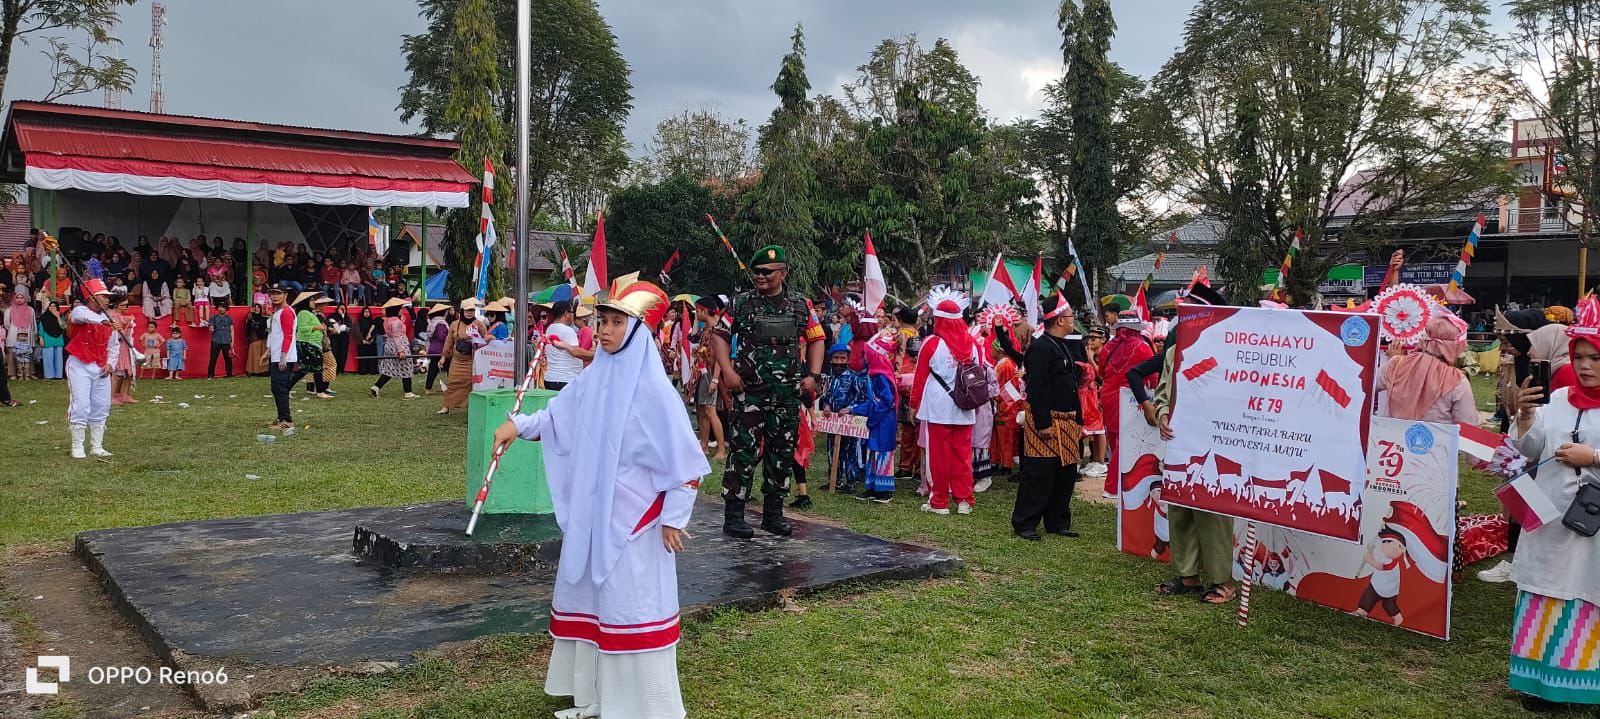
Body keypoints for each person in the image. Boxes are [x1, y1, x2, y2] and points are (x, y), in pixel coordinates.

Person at [491, 278, 703, 719]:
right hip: (596, 515)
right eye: (601, 321)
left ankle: (646, 707)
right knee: (597, 603)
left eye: (615, 322)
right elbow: (559, 416)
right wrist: (520, 426)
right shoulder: (595, 378)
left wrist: (673, 518)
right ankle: (601, 701)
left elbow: (686, 466)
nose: (603, 330)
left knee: (631, 606)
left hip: (638, 522)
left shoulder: (657, 394)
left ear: (637, 329)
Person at [1504, 295, 1600, 709]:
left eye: (1595, 358)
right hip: (1551, 523)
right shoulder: (1557, 401)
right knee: (1548, 594)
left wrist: (1593, 457)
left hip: (1594, 531)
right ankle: (1542, 687)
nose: (1585, 366)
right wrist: (1524, 417)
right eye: (1580, 357)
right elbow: (1529, 448)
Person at [711, 245, 826, 538]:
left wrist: (812, 375)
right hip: (750, 393)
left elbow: (816, 339)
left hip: (787, 396)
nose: (760, 277)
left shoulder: (801, 306)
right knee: (743, 454)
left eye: (767, 272)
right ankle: (734, 516)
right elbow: (720, 336)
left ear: (783, 273)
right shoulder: (742, 303)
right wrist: (727, 370)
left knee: (781, 455)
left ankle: (773, 514)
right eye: (757, 272)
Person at [1140, 285, 1238, 605]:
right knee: (1180, 508)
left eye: (1194, 310)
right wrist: (1164, 414)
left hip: (1217, 442)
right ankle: (1187, 575)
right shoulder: (1175, 351)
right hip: (1182, 441)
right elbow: (1163, 392)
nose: (1187, 316)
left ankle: (1223, 580)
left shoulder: (1230, 352)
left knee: (1213, 513)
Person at [1011, 295, 1084, 540]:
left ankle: (1058, 521)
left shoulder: (1063, 343)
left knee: (1066, 473)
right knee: (1040, 473)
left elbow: (1071, 383)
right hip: (1047, 420)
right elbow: (1037, 387)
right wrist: (1043, 423)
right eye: (1071, 316)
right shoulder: (1041, 346)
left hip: (1067, 421)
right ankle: (1025, 523)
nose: (1074, 319)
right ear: (1061, 319)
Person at [910, 287, 979, 516]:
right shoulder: (972, 343)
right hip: (965, 406)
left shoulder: (931, 343)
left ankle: (939, 502)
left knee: (938, 456)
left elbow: (919, 378)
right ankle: (964, 501)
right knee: (962, 455)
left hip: (938, 407)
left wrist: (913, 405)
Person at [1376, 315, 1478, 424]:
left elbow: (1362, 386)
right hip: (1438, 440)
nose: (1466, 346)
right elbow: (1469, 426)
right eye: (1463, 342)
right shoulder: (1457, 381)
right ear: (1452, 346)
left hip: (1393, 438)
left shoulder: (1396, 364)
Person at [1098, 311, 1156, 497]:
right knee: (1124, 442)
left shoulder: (1108, 346)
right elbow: (1153, 376)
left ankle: (1117, 482)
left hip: (1107, 396)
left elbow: (1101, 372)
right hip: (1130, 399)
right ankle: (1113, 487)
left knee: (1115, 439)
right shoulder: (1142, 346)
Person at [65, 280, 124, 457]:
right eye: (103, 296)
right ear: (91, 297)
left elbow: (114, 346)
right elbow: (82, 317)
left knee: (102, 404)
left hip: (100, 366)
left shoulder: (110, 320)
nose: (107, 300)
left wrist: (110, 364)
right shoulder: (79, 310)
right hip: (79, 364)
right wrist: (106, 322)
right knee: (81, 403)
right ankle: (77, 446)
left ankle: (97, 445)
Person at [850, 327, 900, 503]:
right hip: (879, 419)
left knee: (883, 453)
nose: (863, 358)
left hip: (884, 420)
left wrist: (873, 418)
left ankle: (884, 490)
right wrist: (853, 409)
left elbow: (887, 401)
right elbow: (873, 402)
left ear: (873, 356)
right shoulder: (875, 375)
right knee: (873, 452)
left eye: (866, 354)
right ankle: (872, 487)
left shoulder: (881, 376)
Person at [690, 296, 726, 459]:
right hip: (703, 371)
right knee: (701, 409)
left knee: (710, 410)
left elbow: (720, 357)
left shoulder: (719, 329)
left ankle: (721, 449)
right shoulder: (706, 329)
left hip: (712, 373)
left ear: (705, 311)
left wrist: (715, 379)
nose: (696, 314)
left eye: (698, 311)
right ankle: (704, 445)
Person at [991, 320, 1028, 475]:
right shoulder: (1001, 363)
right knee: (998, 437)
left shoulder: (1005, 365)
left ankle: (1006, 464)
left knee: (1006, 438)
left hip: (1006, 406)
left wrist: (999, 399)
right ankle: (998, 461)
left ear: (998, 350)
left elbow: (1010, 386)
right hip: (999, 404)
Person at [438, 298, 487, 415]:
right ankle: (446, 406)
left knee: (470, 384)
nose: (469, 312)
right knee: (452, 382)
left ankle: (470, 406)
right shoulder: (454, 324)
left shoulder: (479, 324)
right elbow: (448, 342)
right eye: (467, 310)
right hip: (457, 360)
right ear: (462, 311)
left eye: (471, 310)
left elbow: (486, 338)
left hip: (472, 360)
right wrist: (443, 357)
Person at [266, 286, 299, 429]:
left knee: (280, 388)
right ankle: (281, 417)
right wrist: (268, 353)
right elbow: (275, 335)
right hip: (277, 355)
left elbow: (288, 335)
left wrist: (283, 357)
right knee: (276, 387)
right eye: (272, 294)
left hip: (283, 357)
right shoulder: (278, 312)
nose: (274, 296)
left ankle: (287, 419)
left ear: (285, 295)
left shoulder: (286, 312)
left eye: (278, 293)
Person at [288, 291, 331, 398]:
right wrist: (318, 327)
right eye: (311, 300)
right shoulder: (303, 313)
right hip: (308, 344)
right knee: (310, 368)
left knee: (311, 369)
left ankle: (319, 391)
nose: (313, 302)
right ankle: (320, 392)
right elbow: (302, 329)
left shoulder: (308, 313)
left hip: (312, 344)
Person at [371, 297, 417, 398]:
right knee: (407, 367)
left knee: (389, 369)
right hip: (399, 346)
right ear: (395, 310)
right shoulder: (395, 321)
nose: (402, 310)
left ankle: (376, 387)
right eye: (400, 309)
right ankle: (408, 392)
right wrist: (401, 351)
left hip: (390, 345)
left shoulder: (387, 320)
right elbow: (396, 336)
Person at [1079, 327, 1109, 477]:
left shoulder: (1105, 354)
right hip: (1091, 397)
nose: (1090, 340)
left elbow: (1103, 376)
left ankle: (1101, 462)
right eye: (1089, 337)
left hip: (1102, 395)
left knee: (1100, 429)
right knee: (1095, 430)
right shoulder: (1089, 353)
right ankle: (1095, 460)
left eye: (1094, 338)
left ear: (1103, 339)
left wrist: (1091, 359)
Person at [543, 300, 592, 391]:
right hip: (565, 380)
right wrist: (597, 354)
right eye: (573, 313)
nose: (574, 317)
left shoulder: (550, 328)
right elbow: (576, 352)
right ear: (566, 313)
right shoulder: (567, 330)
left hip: (551, 379)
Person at [5, 292, 35, 381]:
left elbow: (33, 323)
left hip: (27, 332)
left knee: (28, 354)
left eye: (22, 298)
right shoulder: (10, 309)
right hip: (14, 333)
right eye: (17, 297)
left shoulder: (30, 309)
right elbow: (7, 324)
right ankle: (12, 374)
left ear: (25, 299)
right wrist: (15, 328)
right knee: (13, 354)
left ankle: (29, 373)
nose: (19, 299)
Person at [423, 304, 451, 393]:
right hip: (441, 349)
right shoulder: (441, 324)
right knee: (449, 368)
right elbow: (442, 336)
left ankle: (428, 388)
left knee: (433, 369)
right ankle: (453, 386)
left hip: (433, 348)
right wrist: (450, 337)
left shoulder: (432, 322)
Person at [207, 299, 235, 378]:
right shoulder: (213, 318)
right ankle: (210, 375)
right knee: (213, 358)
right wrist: (211, 328)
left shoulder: (229, 318)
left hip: (227, 341)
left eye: (223, 307)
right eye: (219, 307)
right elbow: (211, 327)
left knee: (228, 359)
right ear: (217, 308)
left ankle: (229, 374)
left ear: (226, 309)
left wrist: (232, 343)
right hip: (216, 340)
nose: (221, 308)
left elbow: (232, 330)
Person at [38, 301, 65, 380]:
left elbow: (63, 326)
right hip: (47, 338)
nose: (52, 308)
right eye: (50, 306)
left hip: (58, 339)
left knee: (59, 358)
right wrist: (41, 338)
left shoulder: (60, 315)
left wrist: (58, 317)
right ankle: (49, 376)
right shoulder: (44, 316)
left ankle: (58, 375)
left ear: (57, 308)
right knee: (48, 357)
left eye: (54, 306)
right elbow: (41, 329)